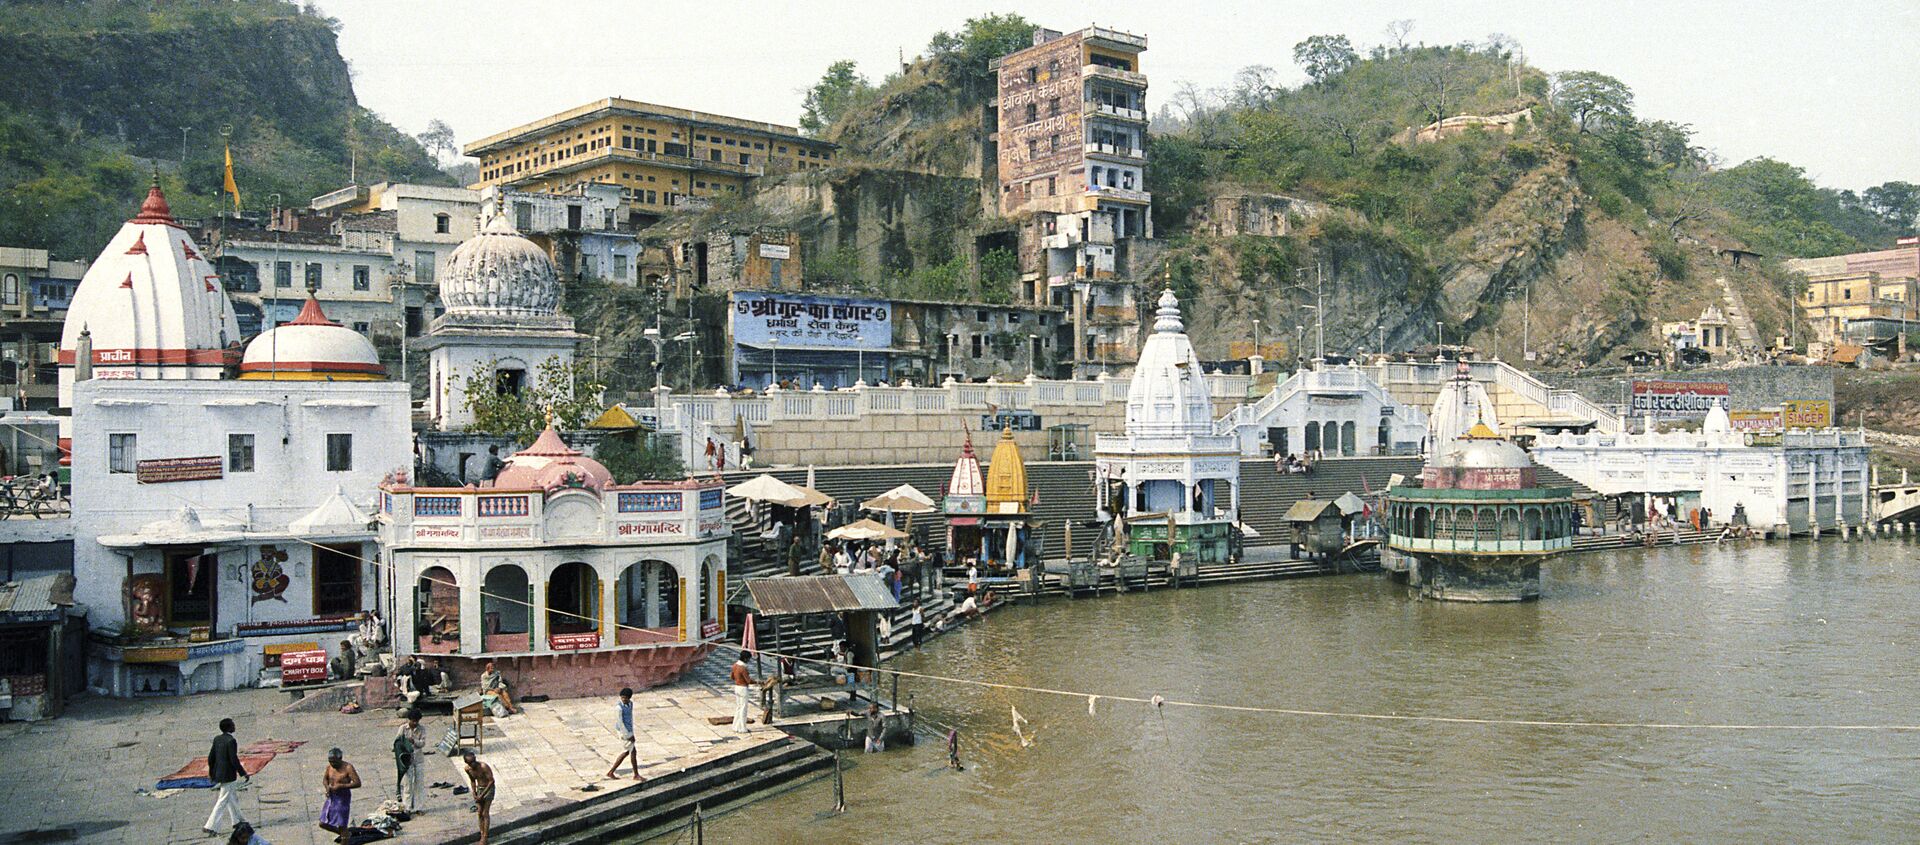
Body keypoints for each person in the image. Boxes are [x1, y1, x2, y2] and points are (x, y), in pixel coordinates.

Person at [203, 717, 246, 835]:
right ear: (229, 728)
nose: (234, 727)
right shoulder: (231, 741)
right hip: (228, 775)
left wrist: (212, 773)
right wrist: (243, 772)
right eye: (233, 725)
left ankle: (238, 821)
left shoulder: (217, 739)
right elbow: (234, 759)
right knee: (223, 800)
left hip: (219, 773)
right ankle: (210, 826)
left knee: (232, 797)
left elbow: (211, 758)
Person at [318, 747, 361, 839]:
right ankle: (345, 835)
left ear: (340, 759)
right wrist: (327, 788)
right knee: (323, 823)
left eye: (334, 762)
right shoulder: (329, 767)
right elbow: (325, 779)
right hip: (332, 797)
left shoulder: (348, 767)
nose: (332, 764)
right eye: (330, 761)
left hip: (342, 798)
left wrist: (341, 786)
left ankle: (344, 836)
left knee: (342, 825)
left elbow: (358, 783)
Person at [605, 687, 643, 781]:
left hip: (629, 730)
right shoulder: (619, 708)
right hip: (623, 732)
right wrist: (628, 736)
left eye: (625, 697)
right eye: (622, 697)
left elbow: (630, 718)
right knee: (631, 752)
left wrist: (632, 732)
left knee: (629, 752)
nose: (624, 699)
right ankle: (635, 774)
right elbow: (620, 723)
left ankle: (612, 772)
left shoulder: (630, 704)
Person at [395, 708, 427, 813]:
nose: (414, 723)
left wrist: (414, 741)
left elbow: (422, 743)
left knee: (419, 784)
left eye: (416, 721)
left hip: (418, 759)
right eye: (413, 720)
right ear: (409, 719)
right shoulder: (402, 728)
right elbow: (397, 742)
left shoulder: (422, 729)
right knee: (407, 784)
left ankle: (419, 807)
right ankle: (407, 807)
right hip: (406, 760)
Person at [461, 750, 496, 845]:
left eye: (474, 761)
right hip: (480, 789)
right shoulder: (468, 769)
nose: (473, 764)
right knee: (479, 812)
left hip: (488, 789)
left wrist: (482, 795)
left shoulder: (483, 766)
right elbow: (472, 781)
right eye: (470, 763)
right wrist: (474, 793)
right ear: (467, 763)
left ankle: (485, 837)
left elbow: (491, 781)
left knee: (485, 812)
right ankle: (482, 833)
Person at [729, 655, 755, 732]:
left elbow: (732, 677)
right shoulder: (743, 668)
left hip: (736, 687)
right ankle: (742, 728)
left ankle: (735, 726)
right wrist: (757, 682)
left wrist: (738, 678)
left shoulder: (735, 665)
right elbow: (749, 681)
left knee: (738, 707)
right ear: (745, 658)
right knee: (743, 708)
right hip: (743, 688)